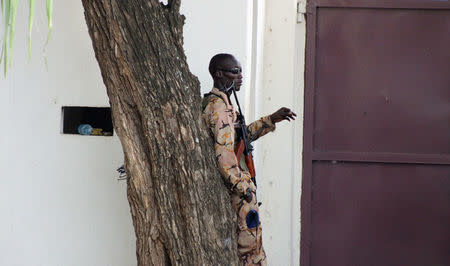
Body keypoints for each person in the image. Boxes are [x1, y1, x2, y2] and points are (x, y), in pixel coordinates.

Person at [202, 53, 296, 265]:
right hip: (238, 190)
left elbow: (239, 137)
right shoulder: (219, 108)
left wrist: (270, 119)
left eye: (241, 71)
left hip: (237, 186)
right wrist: (244, 187)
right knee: (250, 250)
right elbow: (224, 153)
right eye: (235, 72)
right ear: (219, 74)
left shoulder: (221, 103)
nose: (240, 76)